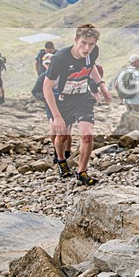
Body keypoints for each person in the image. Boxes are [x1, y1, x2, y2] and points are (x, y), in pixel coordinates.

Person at [43, 23, 111, 186]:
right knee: (62, 136)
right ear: (75, 40)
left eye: (91, 44)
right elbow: (47, 87)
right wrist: (57, 116)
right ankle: (61, 160)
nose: (87, 48)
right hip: (62, 100)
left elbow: (91, 66)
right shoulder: (60, 58)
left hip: (82, 98)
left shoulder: (93, 52)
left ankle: (82, 172)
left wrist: (101, 85)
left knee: (87, 136)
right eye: (83, 43)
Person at [32, 53, 71, 165]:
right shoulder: (43, 77)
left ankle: (64, 152)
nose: (49, 66)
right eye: (47, 64)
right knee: (55, 128)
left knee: (66, 129)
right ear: (44, 65)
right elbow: (35, 91)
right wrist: (46, 97)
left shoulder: (64, 74)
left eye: (51, 63)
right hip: (51, 105)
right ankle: (57, 152)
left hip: (66, 104)